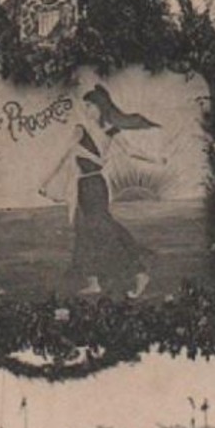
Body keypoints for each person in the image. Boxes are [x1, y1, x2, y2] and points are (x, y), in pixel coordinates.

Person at [38, 84, 165, 299]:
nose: (86, 110)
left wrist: (155, 158)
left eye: (90, 106)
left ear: (99, 106)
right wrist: (47, 181)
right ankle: (94, 281)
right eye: (85, 106)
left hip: (95, 186)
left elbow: (131, 151)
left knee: (103, 228)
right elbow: (64, 156)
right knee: (84, 231)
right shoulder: (81, 129)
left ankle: (139, 272)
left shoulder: (109, 129)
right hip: (84, 185)